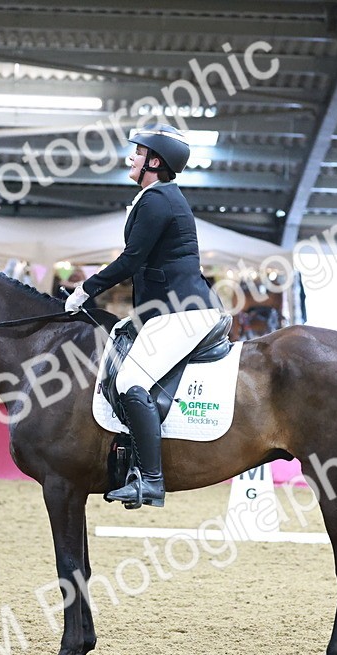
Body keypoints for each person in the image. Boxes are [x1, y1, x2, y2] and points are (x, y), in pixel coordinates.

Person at [64, 124, 225, 509]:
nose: (131, 158)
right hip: (162, 311)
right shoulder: (156, 197)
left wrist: (86, 289)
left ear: (155, 161)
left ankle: (151, 480)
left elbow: (131, 261)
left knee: (131, 379)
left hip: (186, 312)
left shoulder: (158, 200)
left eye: (138, 153)